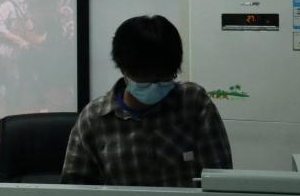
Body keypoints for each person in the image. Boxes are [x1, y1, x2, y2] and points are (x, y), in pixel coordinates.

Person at [60, 15, 232, 187]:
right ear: (123, 69)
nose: (155, 85)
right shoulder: (94, 120)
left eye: (164, 76)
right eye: (144, 77)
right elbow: (74, 192)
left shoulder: (193, 103)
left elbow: (220, 180)